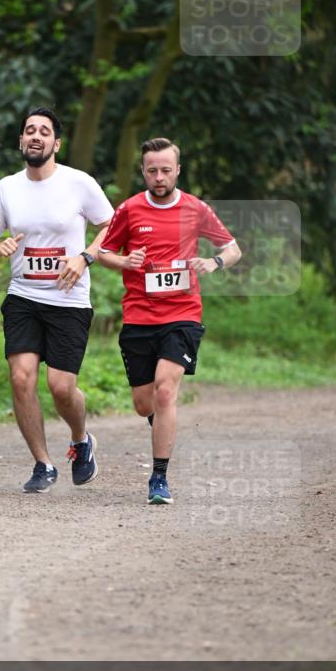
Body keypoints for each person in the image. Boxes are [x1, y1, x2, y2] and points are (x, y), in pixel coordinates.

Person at [98, 137, 241, 505]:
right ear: (143, 172)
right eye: (152, 171)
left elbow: (233, 248)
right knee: (144, 403)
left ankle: (158, 479)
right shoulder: (129, 209)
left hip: (182, 314)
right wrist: (125, 262)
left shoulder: (195, 208)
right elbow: (103, 253)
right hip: (139, 316)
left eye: (165, 170)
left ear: (177, 170)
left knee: (165, 391)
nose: (159, 177)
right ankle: (161, 422)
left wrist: (213, 263)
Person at [0, 106, 114, 493]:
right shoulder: (7, 187)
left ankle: (81, 439)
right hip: (23, 296)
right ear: (21, 141)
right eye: (29, 130)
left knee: (60, 387)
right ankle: (43, 464)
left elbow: (112, 223)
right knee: (22, 379)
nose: (35, 136)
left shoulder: (79, 183)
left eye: (43, 131)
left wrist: (85, 256)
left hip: (69, 301)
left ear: (56, 142)